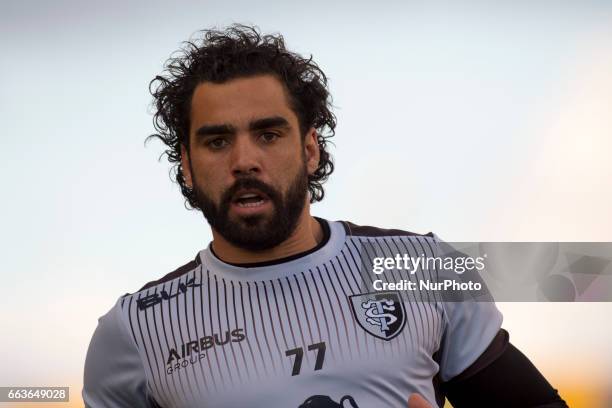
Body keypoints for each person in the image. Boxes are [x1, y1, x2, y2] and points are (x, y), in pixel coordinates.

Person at [83, 25, 568, 408]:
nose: (244, 160)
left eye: (269, 134)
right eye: (216, 141)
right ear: (186, 166)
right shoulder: (133, 330)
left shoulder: (426, 265)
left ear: (311, 149)